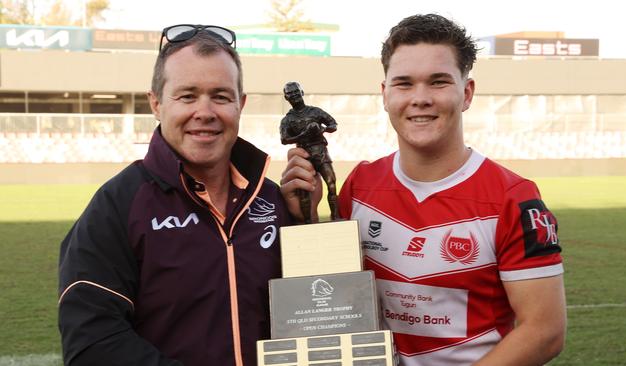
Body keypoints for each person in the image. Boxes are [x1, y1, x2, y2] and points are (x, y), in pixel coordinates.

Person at [280, 14, 566, 365]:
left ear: (467, 93)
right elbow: (332, 298)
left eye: (438, 82)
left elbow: (545, 330)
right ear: (385, 95)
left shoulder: (513, 198)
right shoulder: (360, 184)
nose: (420, 98)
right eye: (404, 83)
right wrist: (303, 217)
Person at [58, 24, 291, 366]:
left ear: (240, 104)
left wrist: (310, 223)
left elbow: (319, 312)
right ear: (156, 103)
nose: (205, 112)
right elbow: (91, 343)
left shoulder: (274, 201)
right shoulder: (118, 205)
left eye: (221, 96)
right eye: (187, 95)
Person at [280, 81, 338, 223]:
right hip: (303, 156)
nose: (294, 95)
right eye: (290, 94)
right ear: (286, 98)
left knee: (331, 183)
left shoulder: (315, 112)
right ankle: (307, 222)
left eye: (296, 92)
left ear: (302, 93)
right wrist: (306, 133)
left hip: (321, 152)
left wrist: (321, 129)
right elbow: (284, 139)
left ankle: (335, 217)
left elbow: (333, 124)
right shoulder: (287, 119)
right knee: (304, 192)